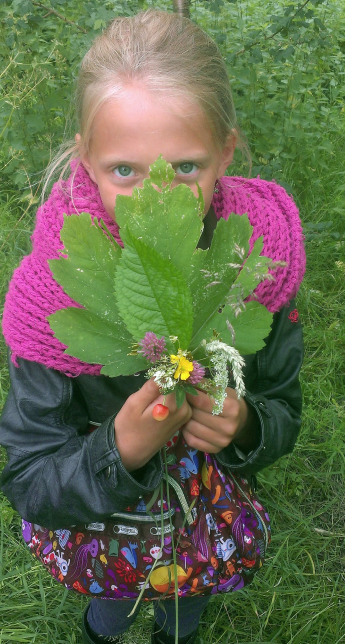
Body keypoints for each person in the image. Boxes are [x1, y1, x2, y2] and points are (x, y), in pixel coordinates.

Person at [0, 9, 305, 644]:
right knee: (112, 610)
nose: (156, 193)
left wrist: (245, 425)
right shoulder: (52, 297)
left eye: (186, 167)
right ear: (86, 157)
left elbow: (281, 409)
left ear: (226, 150)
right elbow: (31, 479)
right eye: (125, 170)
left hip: (203, 517)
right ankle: (103, 629)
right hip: (101, 513)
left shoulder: (255, 264)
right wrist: (122, 448)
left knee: (181, 611)